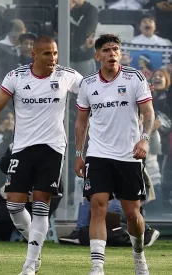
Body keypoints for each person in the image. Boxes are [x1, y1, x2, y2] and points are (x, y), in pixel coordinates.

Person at [0, 36, 83, 275]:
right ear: (34, 55)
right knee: (14, 205)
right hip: (21, 148)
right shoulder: (16, 76)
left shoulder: (66, 75)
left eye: (55, 53)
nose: (53, 59)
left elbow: (95, 90)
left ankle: (30, 264)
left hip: (52, 149)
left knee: (41, 204)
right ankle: (35, 245)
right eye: (47, 54)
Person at [74, 34, 154, 275]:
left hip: (129, 156)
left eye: (115, 49)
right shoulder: (88, 84)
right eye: (106, 50)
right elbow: (81, 122)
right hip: (98, 155)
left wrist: (145, 139)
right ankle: (97, 267)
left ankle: (139, 255)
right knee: (98, 207)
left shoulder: (134, 78)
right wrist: (80, 153)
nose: (112, 53)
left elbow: (148, 114)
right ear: (97, 55)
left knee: (132, 215)